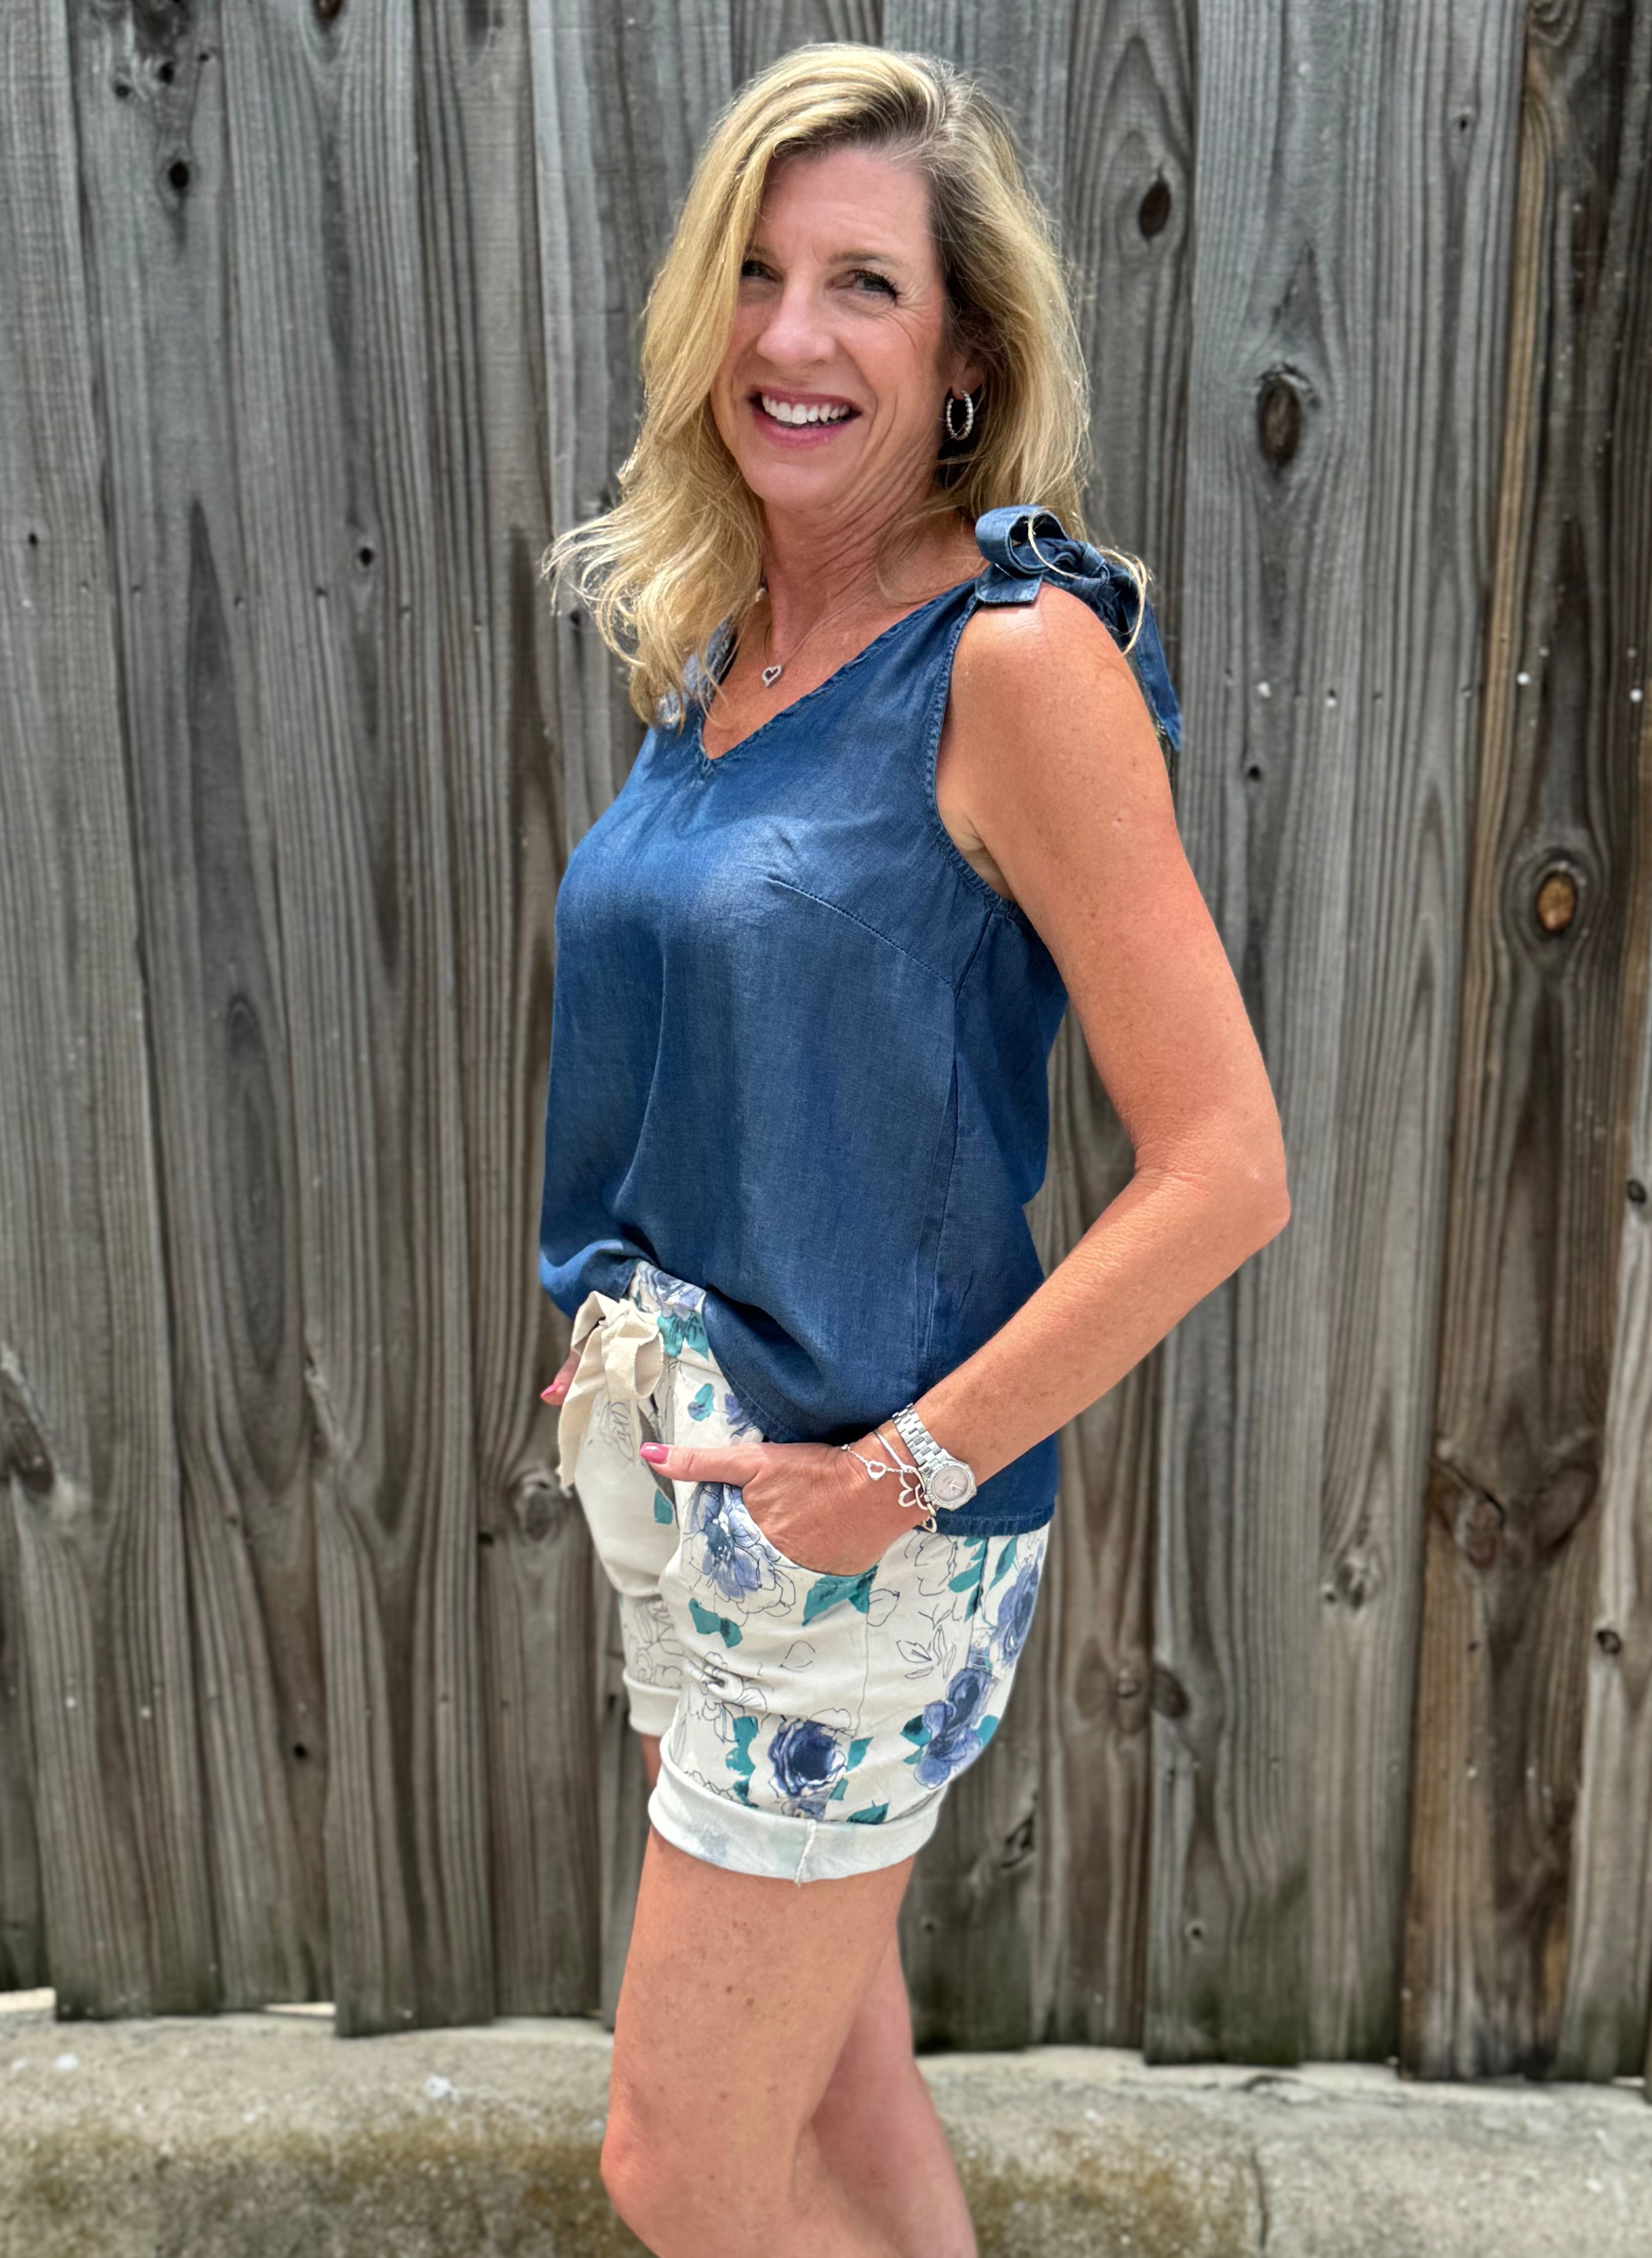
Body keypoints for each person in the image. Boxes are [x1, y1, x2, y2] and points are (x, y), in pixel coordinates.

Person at [534, 42, 1288, 2258]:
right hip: (691, 1486)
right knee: (840, 2104)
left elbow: (1223, 1165)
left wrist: (895, 1478)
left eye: (862, 285)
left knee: (680, 2165)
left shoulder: (1014, 660)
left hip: (856, 1533)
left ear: (962, 357)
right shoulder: (727, 643)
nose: (791, 335)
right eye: (755, 275)